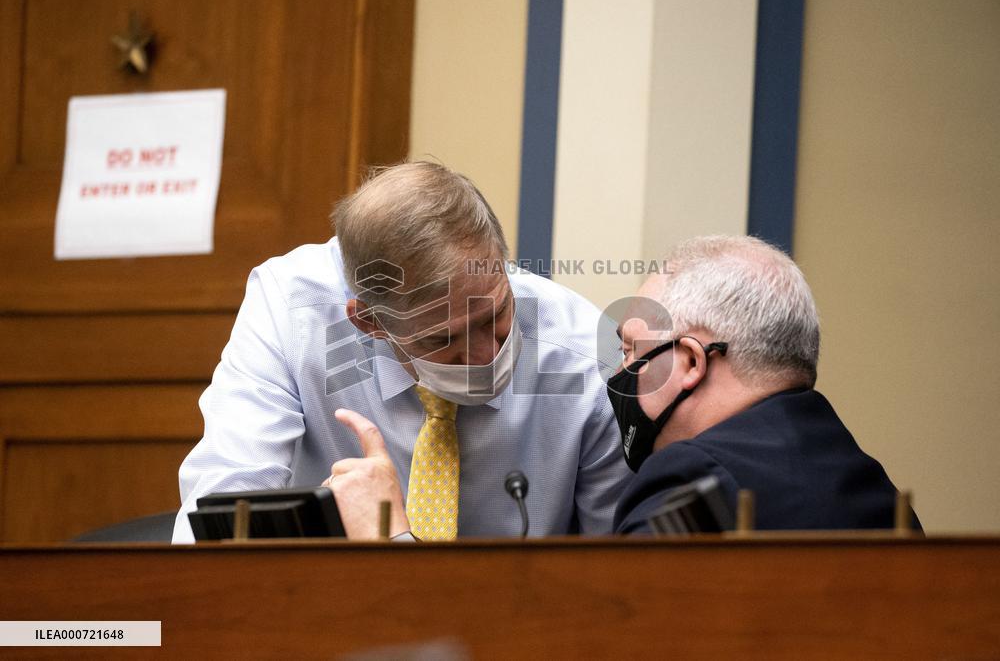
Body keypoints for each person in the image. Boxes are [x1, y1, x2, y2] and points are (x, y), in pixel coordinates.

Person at [172, 161, 630, 542]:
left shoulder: (582, 350)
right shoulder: (293, 312)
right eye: (442, 339)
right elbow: (222, 520)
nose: (485, 355)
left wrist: (392, 543)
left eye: (495, 317)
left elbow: (623, 577)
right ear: (368, 322)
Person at [606, 235, 921, 534]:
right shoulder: (874, 487)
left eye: (632, 350)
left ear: (690, 361)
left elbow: (625, 591)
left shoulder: (694, 482)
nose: (622, 370)